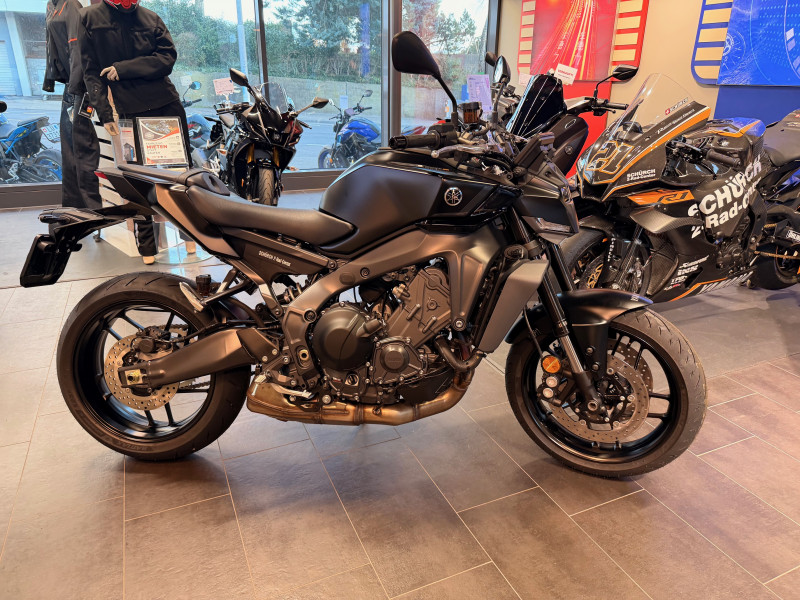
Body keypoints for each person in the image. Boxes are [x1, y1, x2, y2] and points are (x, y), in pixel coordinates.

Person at [79, 0, 195, 264]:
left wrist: (123, 69)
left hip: (167, 106)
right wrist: (104, 112)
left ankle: (190, 236)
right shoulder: (89, 18)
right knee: (138, 180)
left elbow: (167, 59)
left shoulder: (150, 17)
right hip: (128, 112)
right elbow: (90, 71)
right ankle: (147, 247)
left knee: (180, 175)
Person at [43, 0, 102, 211]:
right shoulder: (51, 6)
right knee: (69, 149)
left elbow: (79, 48)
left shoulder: (72, 6)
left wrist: (78, 88)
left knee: (82, 148)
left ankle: (90, 210)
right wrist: (50, 80)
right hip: (70, 85)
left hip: (80, 86)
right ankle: (73, 208)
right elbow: (50, 44)